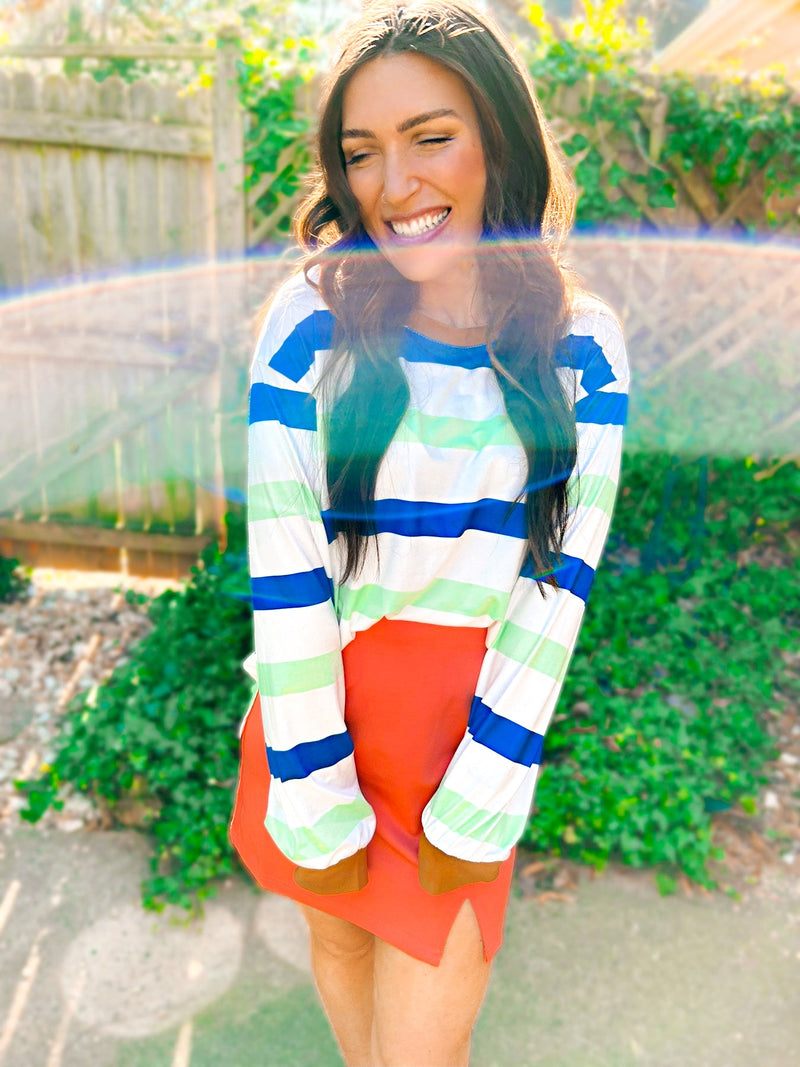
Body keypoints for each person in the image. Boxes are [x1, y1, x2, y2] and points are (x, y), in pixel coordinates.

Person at [229, 1, 629, 1064]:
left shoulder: (581, 345)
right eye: (362, 152)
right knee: (351, 998)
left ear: (499, 136)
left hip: (468, 732)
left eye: (430, 137)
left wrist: (483, 797)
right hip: (317, 715)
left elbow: (559, 581)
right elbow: (285, 566)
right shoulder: (310, 323)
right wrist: (314, 793)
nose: (393, 183)